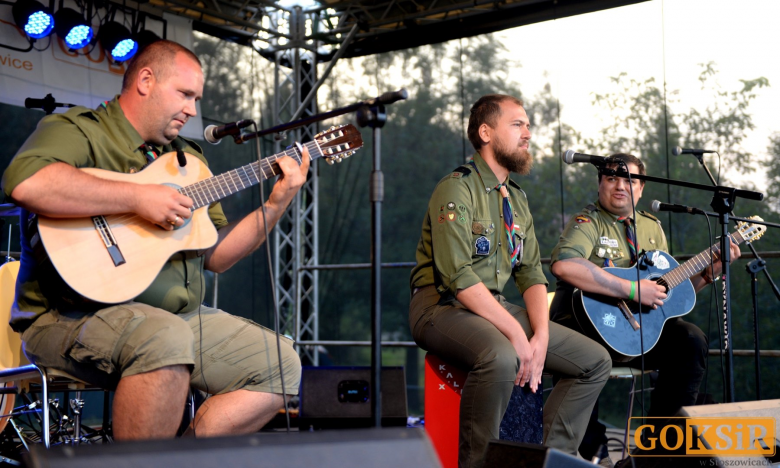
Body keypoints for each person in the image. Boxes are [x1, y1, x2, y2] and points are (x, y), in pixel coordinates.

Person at [1, 40, 308, 440]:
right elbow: (27, 182)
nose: (193, 110)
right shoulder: (80, 131)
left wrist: (276, 203)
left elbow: (216, 256)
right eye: (185, 94)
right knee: (165, 337)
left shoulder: (189, 162)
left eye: (197, 98)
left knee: (280, 362)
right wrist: (138, 197)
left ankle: (179, 459)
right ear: (146, 80)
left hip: (173, 319)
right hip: (70, 315)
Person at [409, 94, 611, 468]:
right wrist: (519, 337)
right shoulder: (457, 188)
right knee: (500, 356)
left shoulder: (516, 199)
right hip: (440, 306)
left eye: (528, 125)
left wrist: (541, 335)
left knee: (595, 361)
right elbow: (457, 276)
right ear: (486, 133)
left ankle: (549, 461)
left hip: (492, 307)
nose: (528, 134)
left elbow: (531, 273)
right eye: (517, 124)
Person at [549, 153, 741, 464]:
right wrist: (632, 289)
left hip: (635, 333)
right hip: (587, 329)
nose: (620, 186)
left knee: (689, 339)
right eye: (611, 178)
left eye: (629, 180)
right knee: (587, 368)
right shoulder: (588, 223)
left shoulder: (652, 228)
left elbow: (665, 296)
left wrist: (709, 273)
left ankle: (658, 449)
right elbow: (565, 267)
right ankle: (578, 453)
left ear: (641, 189)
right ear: (600, 184)